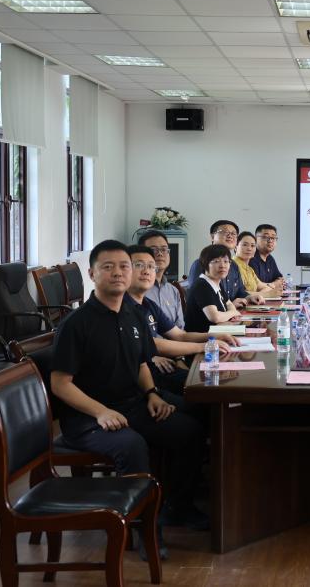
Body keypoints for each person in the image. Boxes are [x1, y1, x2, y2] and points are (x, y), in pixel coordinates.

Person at [49, 239, 209, 559]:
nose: (118, 273)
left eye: (124, 266)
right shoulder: (76, 324)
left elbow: (140, 364)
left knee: (189, 430)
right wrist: (101, 412)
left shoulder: (133, 313)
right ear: (92, 274)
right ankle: (144, 529)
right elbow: (60, 384)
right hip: (88, 418)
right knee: (132, 445)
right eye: (108, 267)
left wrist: (151, 394)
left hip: (132, 405)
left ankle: (178, 507)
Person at [126, 245, 236, 394]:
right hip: (141, 379)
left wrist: (214, 336)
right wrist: (205, 345)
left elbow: (180, 335)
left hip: (159, 368)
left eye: (151, 266)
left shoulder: (148, 304)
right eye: (139, 265)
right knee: (212, 386)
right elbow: (152, 344)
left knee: (220, 381)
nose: (146, 271)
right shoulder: (122, 305)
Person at [186, 219, 263, 306]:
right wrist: (228, 306)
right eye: (224, 232)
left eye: (233, 233)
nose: (230, 236)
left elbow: (240, 291)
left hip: (233, 313)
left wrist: (249, 297)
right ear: (212, 237)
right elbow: (199, 299)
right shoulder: (201, 264)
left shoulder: (233, 265)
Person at [185, 244, 242, 332]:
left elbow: (229, 304)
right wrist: (233, 313)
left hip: (219, 331)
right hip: (203, 337)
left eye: (226, 261)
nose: (222, 265)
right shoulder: (202, 285)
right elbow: (215, 317)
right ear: (205, 264)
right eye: (216, 261)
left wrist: (232, 313)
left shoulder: (216, 283)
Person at [136, 230, 185, 330]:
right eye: (153, 250)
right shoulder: (136, 289)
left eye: (164, 249)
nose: (160, 254)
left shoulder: (173, 291)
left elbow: (180, 330)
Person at [233, 232, 283, 298]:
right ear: (235, 247)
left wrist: (268, 290)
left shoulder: (249, 269)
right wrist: (267, 294)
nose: (249, 249)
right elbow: (239, 294)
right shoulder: (232, 266)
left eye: (252, 246)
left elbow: (265, 287)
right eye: (245, 245)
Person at [249, 223, 284, 287]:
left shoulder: (270, 258)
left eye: (273, 237)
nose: (270, 241)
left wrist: (279, 282)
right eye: (265, 237)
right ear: (255, 239)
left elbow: (279, 278)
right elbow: (256, 286)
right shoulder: (250, 258)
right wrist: (274, 284)